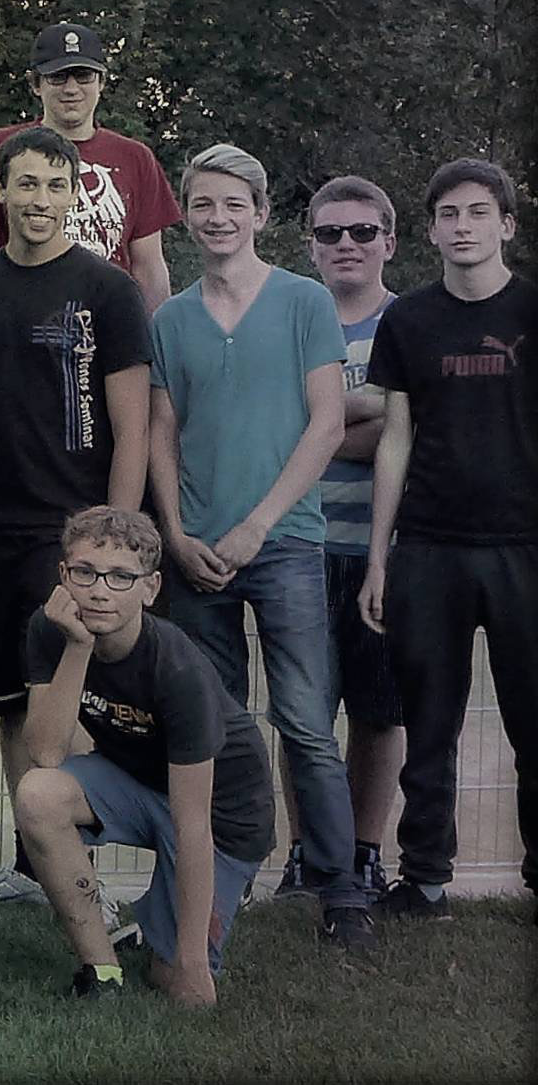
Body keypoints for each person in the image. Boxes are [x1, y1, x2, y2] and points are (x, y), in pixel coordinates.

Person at [146, 144, 371, 947]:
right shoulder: (169, 318)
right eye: (203, 204)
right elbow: (160, 434)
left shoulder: (305, 302)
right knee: (212, 729)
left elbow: (328, 421)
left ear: (261, 214)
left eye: (234, 204)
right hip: (197, 553)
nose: (218, 218)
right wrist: (175, 533)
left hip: (285, 546)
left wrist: (259, 523)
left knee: (308, 723)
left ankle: (342, 891)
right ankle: (212, 892)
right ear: (186, 213)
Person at [0, 125, 151, 902]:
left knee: (61, 705)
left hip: (69, 531)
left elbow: (131, 422)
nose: (38, 200)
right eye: (24, 184)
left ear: (76, 195)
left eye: (55, 185)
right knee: (5, 706)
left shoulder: (108, 290)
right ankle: (36, 869)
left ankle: (77, 864)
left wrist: (117, 537)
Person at [360, 158, 538, 920]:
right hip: (428, 547)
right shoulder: (409, 321)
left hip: (524, 548)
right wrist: (378, 555)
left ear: (506, 223)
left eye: (476, 212)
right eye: (447, 215)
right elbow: (394, 438)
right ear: (429, 229)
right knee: (428, 724)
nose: (461, 226)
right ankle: (425, 877)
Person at [14, 506, 275, 1005]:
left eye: (120, 577)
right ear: (63, 576)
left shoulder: (178, 669)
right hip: (139, 784)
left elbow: (192, 823)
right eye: (84, 572)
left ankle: (185, 920)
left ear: (150, 589)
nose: (99, 590)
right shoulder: (51, 628)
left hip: (221, 817)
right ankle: (102, 971)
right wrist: (76, 647)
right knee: (37, 794)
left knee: (172, 978)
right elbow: (46, 752)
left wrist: (193, 967)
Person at [281, 175, 404, 901]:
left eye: (363, 232)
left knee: (380, 712)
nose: (347, 245)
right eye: (331, 233)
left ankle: (363, 852)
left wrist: (321, 422)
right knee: (303, 715)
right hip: (299, 544)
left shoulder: (409, 325)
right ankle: (305, 854)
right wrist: (365, 413)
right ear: (312, 246)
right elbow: (272, 421)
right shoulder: (291, 318)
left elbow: (408, 426)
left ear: (390, 240)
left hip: (382, 550)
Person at [0, 22, 178, 309]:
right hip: (16, 318)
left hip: (107, 320)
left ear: (102, 82)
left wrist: (156, 342)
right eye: (58, 77)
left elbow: (149, 267)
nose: (72, 89)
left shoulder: (136, 158)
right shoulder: (0, 148)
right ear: (35, 84)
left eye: (83, 76)